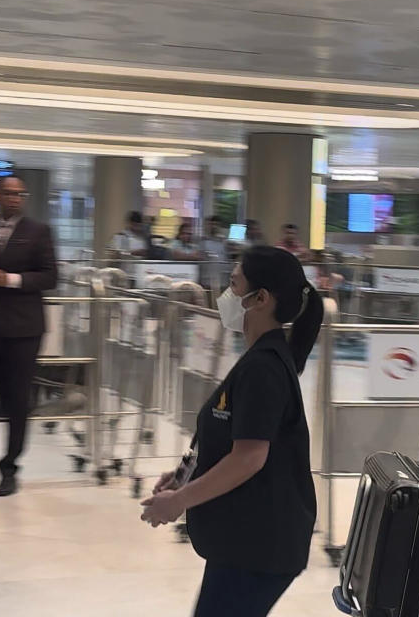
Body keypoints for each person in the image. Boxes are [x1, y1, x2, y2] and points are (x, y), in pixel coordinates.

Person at [140, 246, 323, 616]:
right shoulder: (258, 360)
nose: (225, 294)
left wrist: (179, 501)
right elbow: (226, 440)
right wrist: (182, 477)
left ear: (261, 299)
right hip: (249, 537)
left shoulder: (264, 369)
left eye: (233, 284)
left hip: (261, 543)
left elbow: (249, 458)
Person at [0, 176, 58, 496]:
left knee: (17, 400)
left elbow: (50, 277)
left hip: (22, 329)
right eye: (8, 193)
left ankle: (10, 467)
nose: (14, 198)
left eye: (20, 194)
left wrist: (10, 279)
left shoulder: (37, 231)